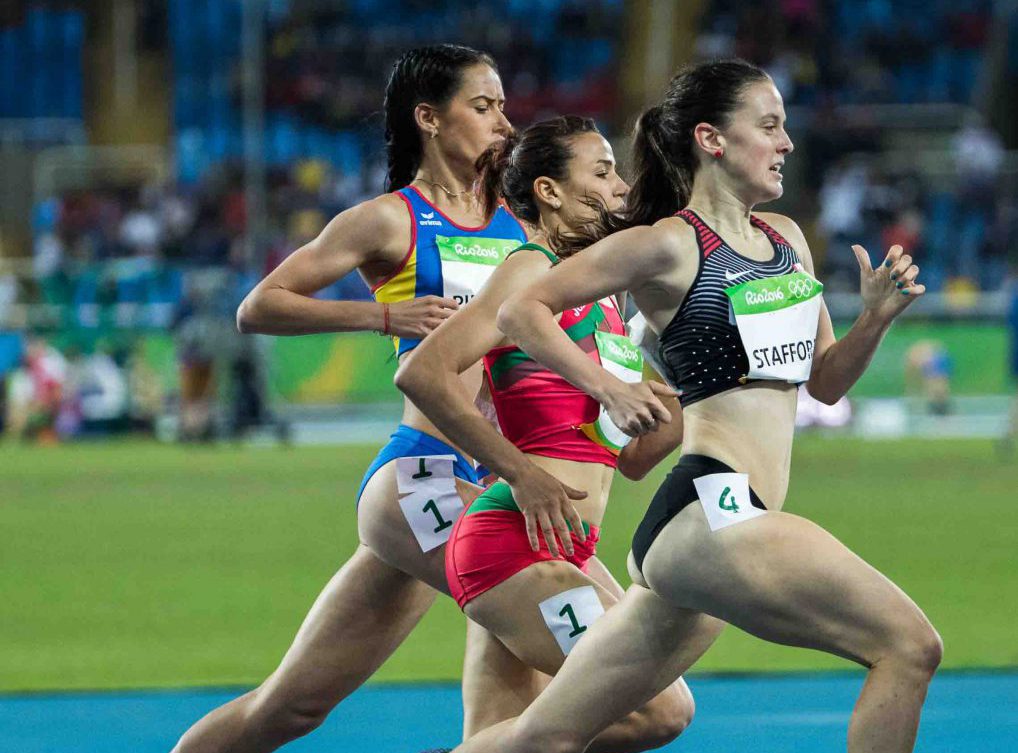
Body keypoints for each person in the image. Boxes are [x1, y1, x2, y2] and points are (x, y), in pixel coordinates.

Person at [447, 58, 942, 753]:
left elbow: (826, 382)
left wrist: (874, 319)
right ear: (711, 139)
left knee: (547, 735)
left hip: (716, 526)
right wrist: (608, 386)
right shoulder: (668, 244)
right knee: (909, 645)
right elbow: (521, 311)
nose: (786, 143)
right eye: (768, 126)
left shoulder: (787, 240)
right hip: (712, 506)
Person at [172, 44, 538, 753]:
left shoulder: (519, 223)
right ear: (429, 118)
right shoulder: (391, 220)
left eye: (503, 106)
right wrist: (383, 314)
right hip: (427, 474)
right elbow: (259, 305)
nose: (504, 123)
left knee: (292, 706)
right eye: (483, 106)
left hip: (490, 476)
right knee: (572, 653)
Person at [396, 115, 695, 752]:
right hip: (512, 543)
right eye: (602, 171)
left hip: (567, 545)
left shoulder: (606, 296)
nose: (620, 187)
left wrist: (696, 405)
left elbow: (630, 460)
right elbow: (422, 373)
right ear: (550, 191)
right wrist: (522, 474)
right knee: (659, 709)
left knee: (513, 738)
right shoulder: (528, 271)